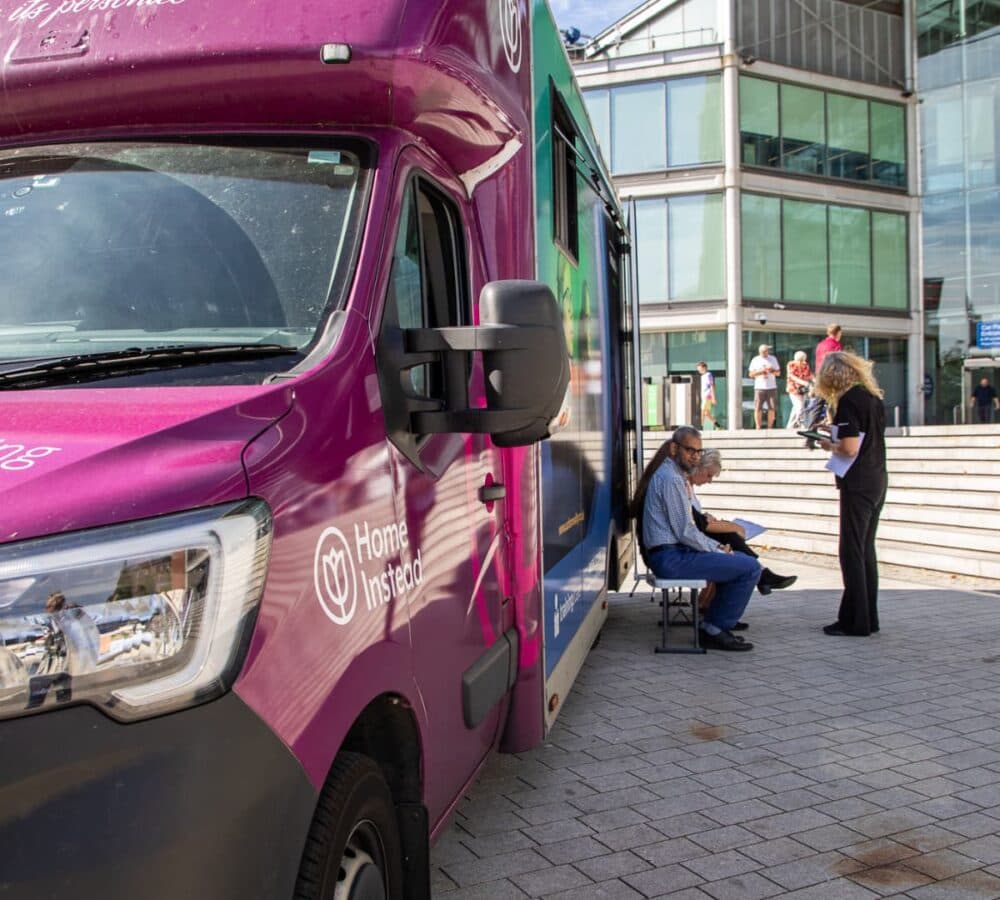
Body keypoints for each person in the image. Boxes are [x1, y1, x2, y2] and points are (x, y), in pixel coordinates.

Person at [632, 427, 761, 651]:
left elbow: (686, 531)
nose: (695, 456)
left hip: (672, 554)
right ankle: (714, 628)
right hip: (670, 558)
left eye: (698, 452)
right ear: (674, 449)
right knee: (750, 567)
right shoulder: (670, 478)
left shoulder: (671, 474)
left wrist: (717, 548)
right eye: (690, 450)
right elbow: (685, 531)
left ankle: (714, 626)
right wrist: (718, 549)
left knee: (738, 562)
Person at [814, 351, 887, 637]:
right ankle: (869, 618)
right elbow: (860, 435)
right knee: (865, 549)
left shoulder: (847, 401)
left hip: (857, 483)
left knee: (851, 552)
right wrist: (833, 430)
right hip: (877, 477)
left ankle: (855, 622)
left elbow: (849, 448)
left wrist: (827, 445)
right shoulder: (872, 398)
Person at [687, 450, 798, 597]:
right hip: (690, 546)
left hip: (696, 539)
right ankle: (762, 575)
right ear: (698, 468)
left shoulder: (688, 486)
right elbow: (700, 525)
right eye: (708, 475)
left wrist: (705, 516)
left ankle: (763, 575)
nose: (709, 480)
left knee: (731, 540)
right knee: (731, 539)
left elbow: (697, 518)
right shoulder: (683, 485)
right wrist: (734, 527)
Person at [748, 343, 780, 429]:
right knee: (758, 407)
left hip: (771, 386)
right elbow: (751, 374)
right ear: (761, 352)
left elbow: (778, 373)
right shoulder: (755, 360)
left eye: (767, 351)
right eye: (765, 351)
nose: (767, 352)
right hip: (759, 387)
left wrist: (771, 370)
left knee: (772, 408)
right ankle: (758, 426)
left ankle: (770, 427)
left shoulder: (773, 359)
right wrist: (761, 371)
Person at [785, 350, 814, 429]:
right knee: (799, 407)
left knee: (796, 408)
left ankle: (790, 426)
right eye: (800, 361)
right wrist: (804, 382)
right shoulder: (791, 364)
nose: (801, 362)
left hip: (803, 390)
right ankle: (802, 424)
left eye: (803, 360)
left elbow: (809, 375)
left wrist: (816, 381)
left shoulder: (805, 364)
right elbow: (792, 376)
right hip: (794, 389)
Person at [696, 361, 717, 430]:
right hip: (703, 397)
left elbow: (712, 386)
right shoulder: (702, 377)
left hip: (708, 396)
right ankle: (718, 425)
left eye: (700, 369)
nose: (699, 371)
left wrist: (713, 397)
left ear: (705, 368)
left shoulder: (709, 375)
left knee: (703, 412)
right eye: (698, 370)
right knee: (706, 413)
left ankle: (700, 428)